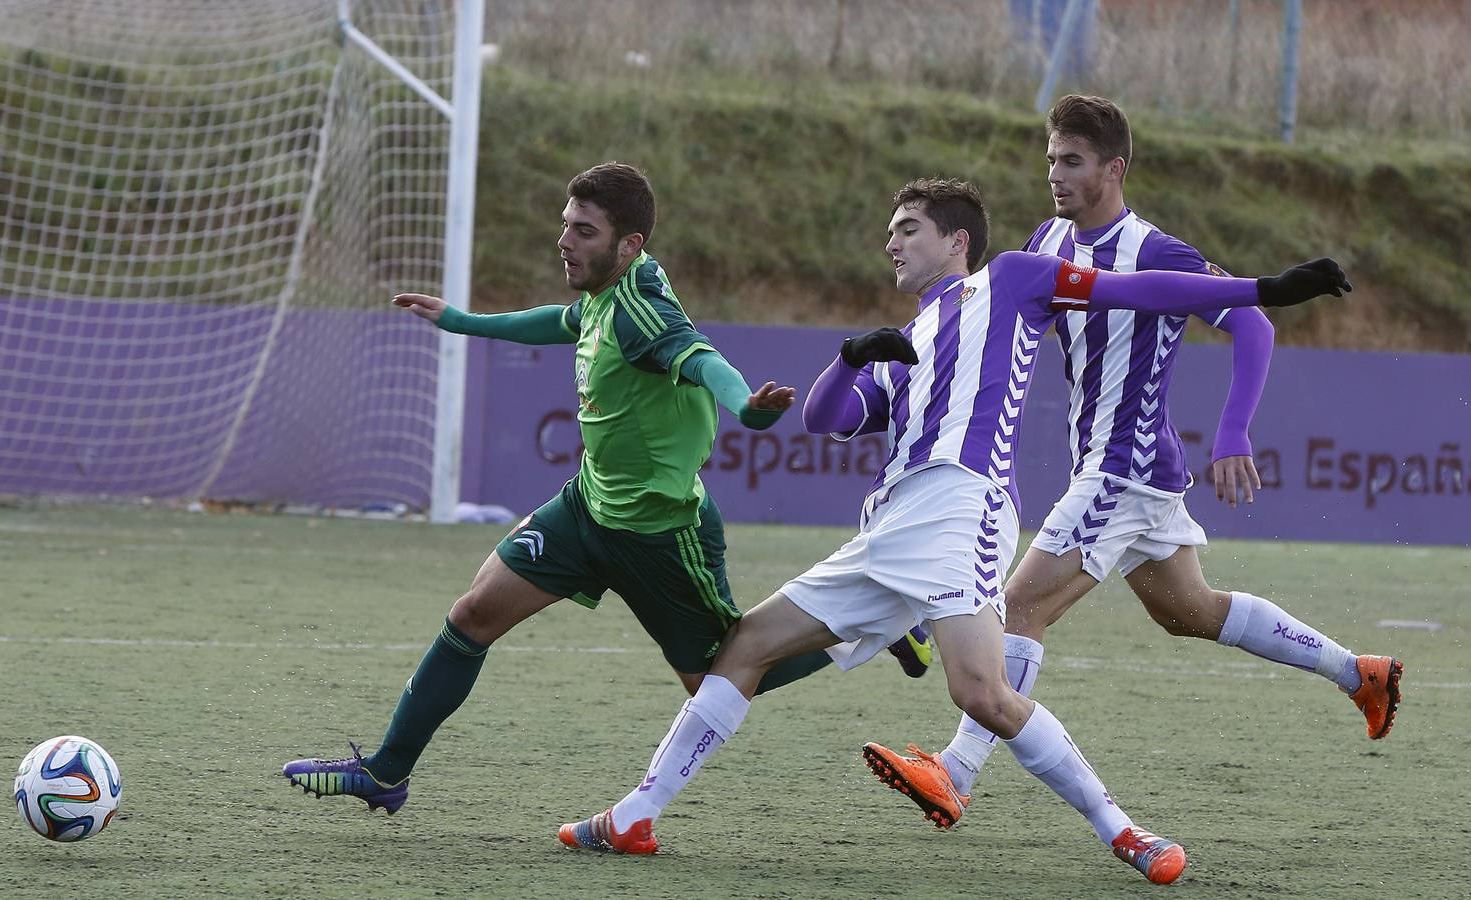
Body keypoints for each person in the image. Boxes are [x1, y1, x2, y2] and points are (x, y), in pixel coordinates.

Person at [558, 178, 1351, 885]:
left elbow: (1136, 290)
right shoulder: (907, 345)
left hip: (961, 509)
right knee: (744, 647)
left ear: (956, 241)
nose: (892, 241)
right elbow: (827, 419)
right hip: (891, 524)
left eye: (908, 228)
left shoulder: (1010, 280)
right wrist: (851, 358)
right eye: (892, 230)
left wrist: (1262, 290)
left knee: (982, 691)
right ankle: (636, 815)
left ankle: (1128, 834)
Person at [869, 97, 1403, 825]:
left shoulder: (1156, 251)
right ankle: (1359, 673)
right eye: (1052, 158)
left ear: (1113, 168)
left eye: (1073, 161)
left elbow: (1252, 323)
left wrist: (1235, 432)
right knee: (1189, 610)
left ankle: (956, 771)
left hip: (1121, 467)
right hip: (1130, 468)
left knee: (1022, 605)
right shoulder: (1049, 235)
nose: (1055, 173)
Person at [281, 162, 836, 813]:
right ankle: (385, 772)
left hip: (659, 534)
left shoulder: (644, 315)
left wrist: (749, 408)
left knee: (716, 674)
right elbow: (563, 321)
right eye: (566, 226)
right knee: (474, 613)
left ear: (627, 245)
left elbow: (705, 362)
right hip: (588, 507)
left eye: (585, 231)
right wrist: (464, 321)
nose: (565, 241)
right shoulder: (611, 289)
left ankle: (863, 631)